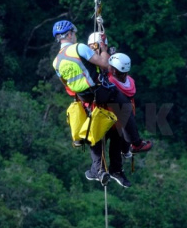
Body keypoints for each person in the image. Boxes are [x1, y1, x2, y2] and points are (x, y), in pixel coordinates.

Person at [51, 20, 152, 183]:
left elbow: (67, 86)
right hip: (100, 91)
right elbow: (105, 64)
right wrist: (103, 49)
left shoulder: (56, 62)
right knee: (125, 109)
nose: (75, 36)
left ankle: (98, 169)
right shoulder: (79, 48)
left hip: (84, 97)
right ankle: (135, 143)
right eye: (74, 33)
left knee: (95, 130)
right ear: (69, 34)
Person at [86, 35, 136, 188]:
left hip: (104, 117)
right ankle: (115, 170)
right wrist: (105, 50)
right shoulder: (130, 82)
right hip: (119, 121)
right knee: (116, 143)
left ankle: (99, 170)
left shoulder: (107, 79)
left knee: (95, 142)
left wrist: (101, 51)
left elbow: (101, 69)